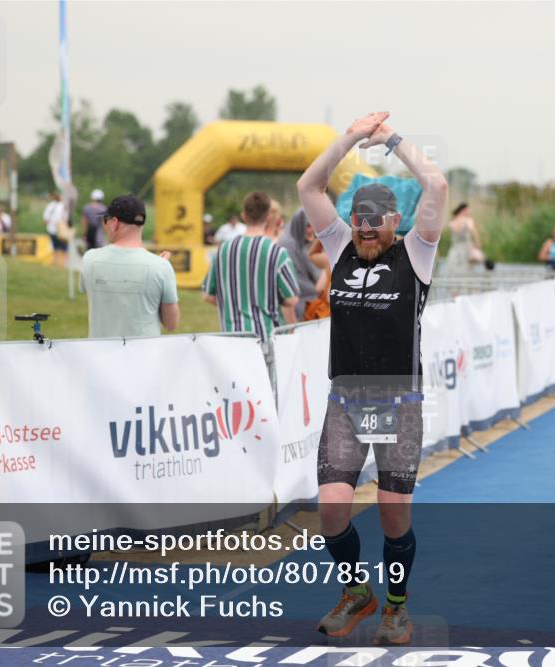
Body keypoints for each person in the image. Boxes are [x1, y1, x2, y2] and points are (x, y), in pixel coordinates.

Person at [298, 111, 447, 646]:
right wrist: (352, 138)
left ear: (393, 223)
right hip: (346, 401)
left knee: (391, 511)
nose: (363, 225)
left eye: (375, 219)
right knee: (332, 508)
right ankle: (355, 592)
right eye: (357, 216)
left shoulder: (416, 254)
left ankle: (397, 608)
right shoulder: (338, 249)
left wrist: (392, 141)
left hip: (399, 402)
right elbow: (308, 185)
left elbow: (437, 184)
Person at [201, 191, 300, 342]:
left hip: (232, 338)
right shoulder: (277, 253)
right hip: (267, 338)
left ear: (243, 216)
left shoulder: (223, 250)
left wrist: (232, 304)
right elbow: (292, 299)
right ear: (268, 217)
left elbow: (208, 295)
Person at [80, 195, 180, 339]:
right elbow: (171, 324)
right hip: (144, 358)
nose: (104, 225)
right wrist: (161, 269)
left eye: (105, 220)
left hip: (99, 356)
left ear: (114, 223)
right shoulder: (160, 267)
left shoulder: (89, 259)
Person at [279, 208, 326, 320]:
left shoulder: (294, 241)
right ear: (298, 224)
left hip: (301, 305)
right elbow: (317, 284)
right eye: (308, 226)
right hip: (301, 307)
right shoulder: (291, 246)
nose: (311, 230)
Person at [443, 202, 489, 275]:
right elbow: (474, 233)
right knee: (466, 271)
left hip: (454, 249)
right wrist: (477, 244)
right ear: (464, 210)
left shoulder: (452, 221)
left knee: (452, 269)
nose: (469, 212)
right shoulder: (468, 220)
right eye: (468, 210)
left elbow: (454, 232)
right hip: (466, 248)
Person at [43, 191, 70, 264]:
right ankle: (64, 262)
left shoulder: (50, 206)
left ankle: (55, 261)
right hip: (61, 229)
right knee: (64, 247)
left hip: (51, 229)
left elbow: (45, 220)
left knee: (55, 246)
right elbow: (66, 219)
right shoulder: (63, 206)